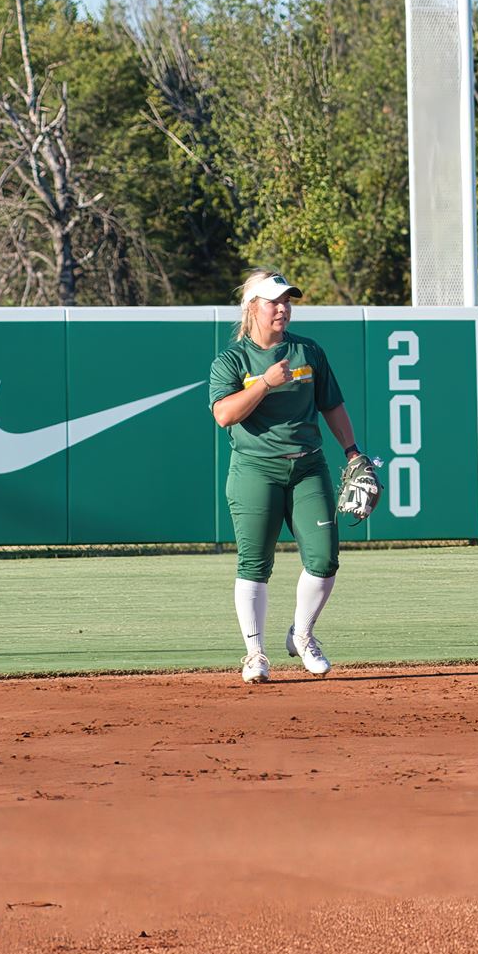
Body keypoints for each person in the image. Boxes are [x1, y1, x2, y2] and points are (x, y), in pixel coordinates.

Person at [208, 270, 365, 683]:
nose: (283, 308)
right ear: (252, 308)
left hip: (308, 465)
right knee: (254, 563)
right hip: (255, 469)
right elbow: (224, 414)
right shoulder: (232, 360)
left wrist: (351, 452)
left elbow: (332, 405)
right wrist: (264, 383)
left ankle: (302, 634)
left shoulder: (308, 351)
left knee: (325, 557)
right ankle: (255, 653)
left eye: (287, 301)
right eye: (274, 301)